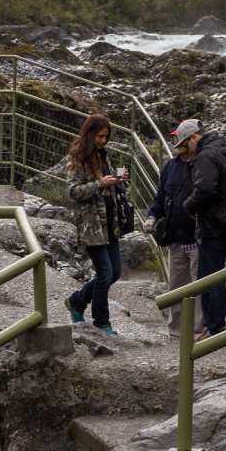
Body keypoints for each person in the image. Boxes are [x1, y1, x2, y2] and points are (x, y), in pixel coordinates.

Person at [176, 118, 226, 339]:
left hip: (214, 223)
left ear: (193, 138)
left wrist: (188, 206)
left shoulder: (205, 156)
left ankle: (214, 329)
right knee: (214, 273)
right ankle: (213, 326)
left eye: (185, 144)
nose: (187, 150)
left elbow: (205, 188)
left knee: (209, 276)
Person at [61, 114, 131, 335]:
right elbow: (73, 192)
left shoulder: (103, 155)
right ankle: (101, 321)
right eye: (99, 136)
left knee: (115, 272)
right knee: (105, 273)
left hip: (110, 224)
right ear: (89, 133)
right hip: (92, 226)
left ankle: (77, 300)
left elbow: (107, 185)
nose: (103, 140)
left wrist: (118, 180)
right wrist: (100, 184)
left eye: (106, 137)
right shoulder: (77, 158)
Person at [146, 125, 202, 337]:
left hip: (198, 238)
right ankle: (175, 331)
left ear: (189, 139)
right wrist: (152, 216)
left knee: (199, 288)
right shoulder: (170, 166)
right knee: (176, 286)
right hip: (176, 238)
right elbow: (161, 196)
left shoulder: (203, 164)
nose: (175, 142)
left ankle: (198, 333)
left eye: (178, 139)